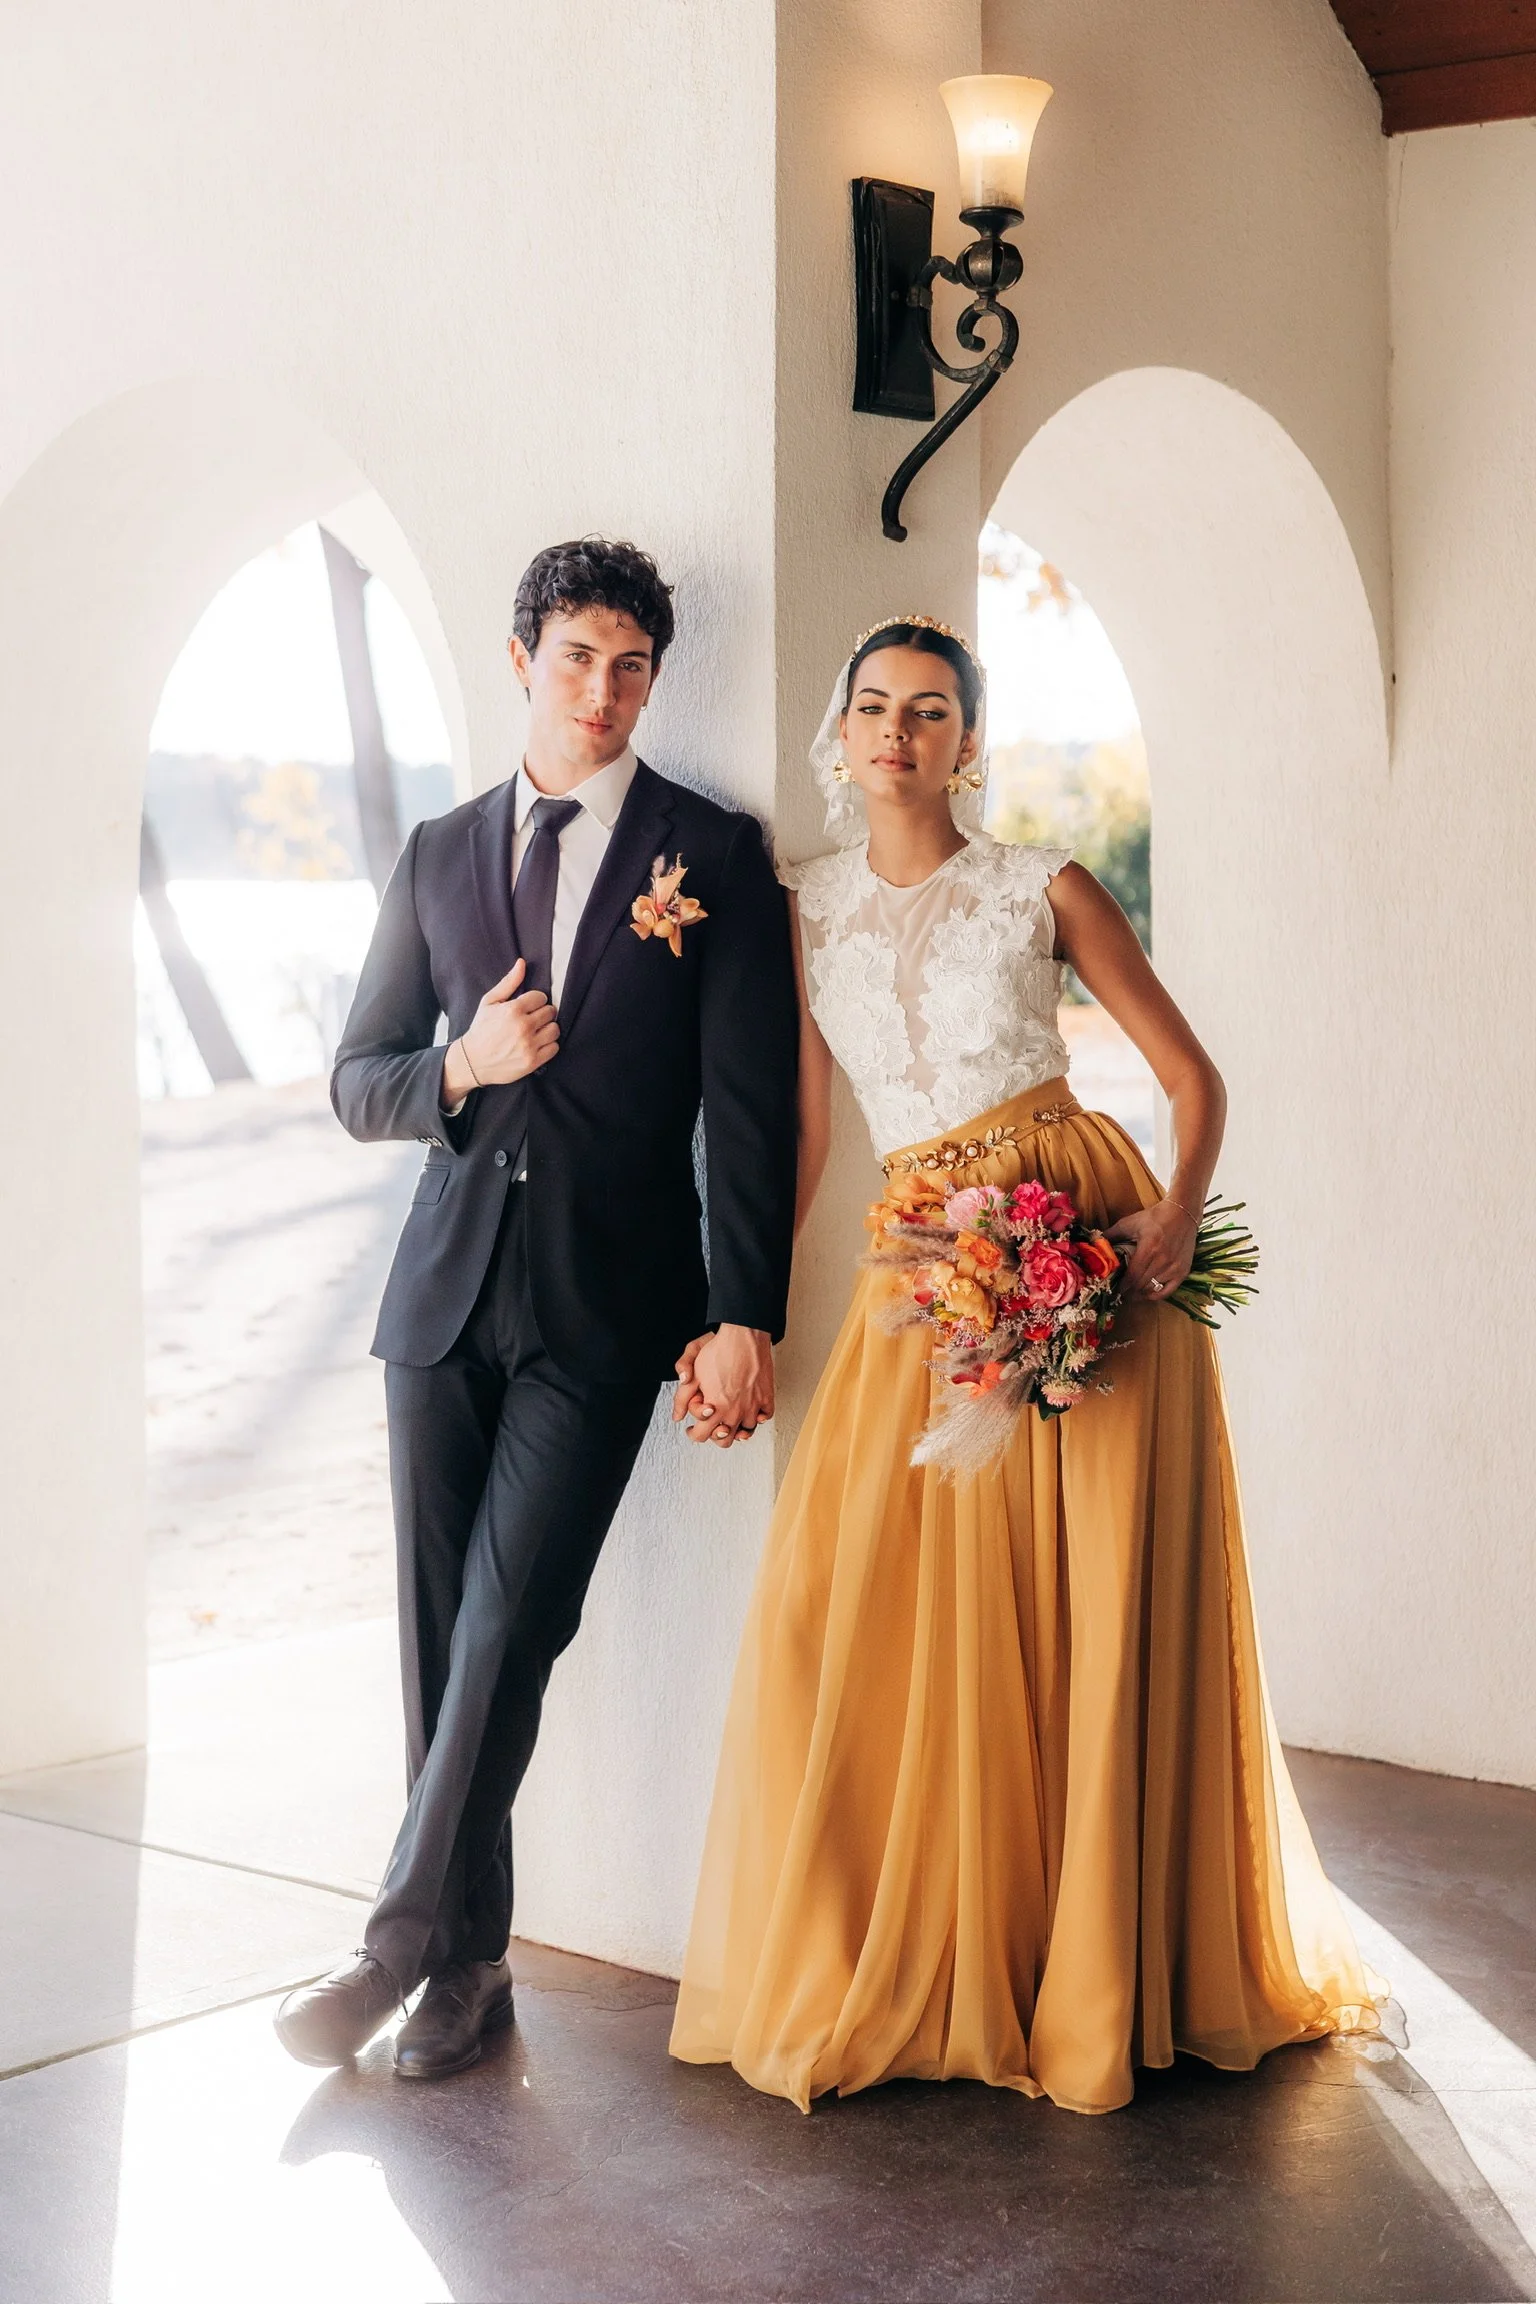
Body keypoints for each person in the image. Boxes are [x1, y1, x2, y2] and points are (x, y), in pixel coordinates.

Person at [669, 614, 1380, 2116]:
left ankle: (1104, 1966)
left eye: (932, 711)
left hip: (1078, 1237)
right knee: (874, 1600)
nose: (900, 733)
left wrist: (1171, 1221)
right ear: (841, 728)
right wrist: (755, 1316)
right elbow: (804, 1132)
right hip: (922, 1258)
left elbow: (1193, 1077)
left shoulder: (1041, 885)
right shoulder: (800, 908)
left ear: (969, 742)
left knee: (1086, 1594)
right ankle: (957, 1944)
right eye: (876, 708)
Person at [276, 539, 798, 2080]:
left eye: (632, 665)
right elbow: (357, 1079)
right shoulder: (438, 853)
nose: (604, 688)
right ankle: (472, 1967)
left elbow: (748, 1115)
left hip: (608, 1307)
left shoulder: (710, 853)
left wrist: (739, 1310)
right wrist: (461, 1067)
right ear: (524, 659)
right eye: (578, 656)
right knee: (444, 1646)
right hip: (437, 1305)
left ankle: (390, 1954)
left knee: (516, 1621)